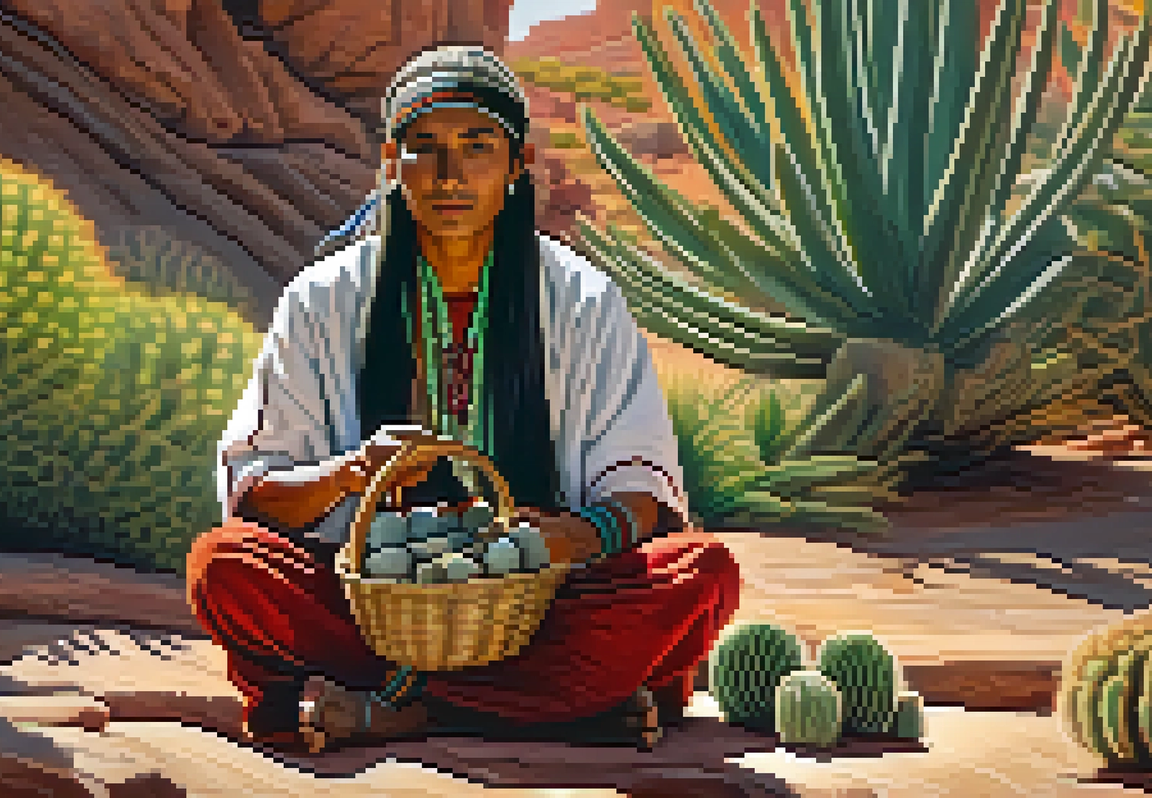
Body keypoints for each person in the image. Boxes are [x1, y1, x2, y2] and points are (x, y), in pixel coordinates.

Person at [185, 44, 741, 755]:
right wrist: (355, 473)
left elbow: (640, 487)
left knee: (701, 574)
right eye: (425, 148)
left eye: (477, 146)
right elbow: (256, 489)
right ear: (391, 162)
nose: (449, 175)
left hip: (541, 598)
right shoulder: (324, 299)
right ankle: (563, 709)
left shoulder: (581, 300)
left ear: (518, 165)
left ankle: (395, 708)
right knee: (227, 568)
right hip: (369, 604)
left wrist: (568, 538)